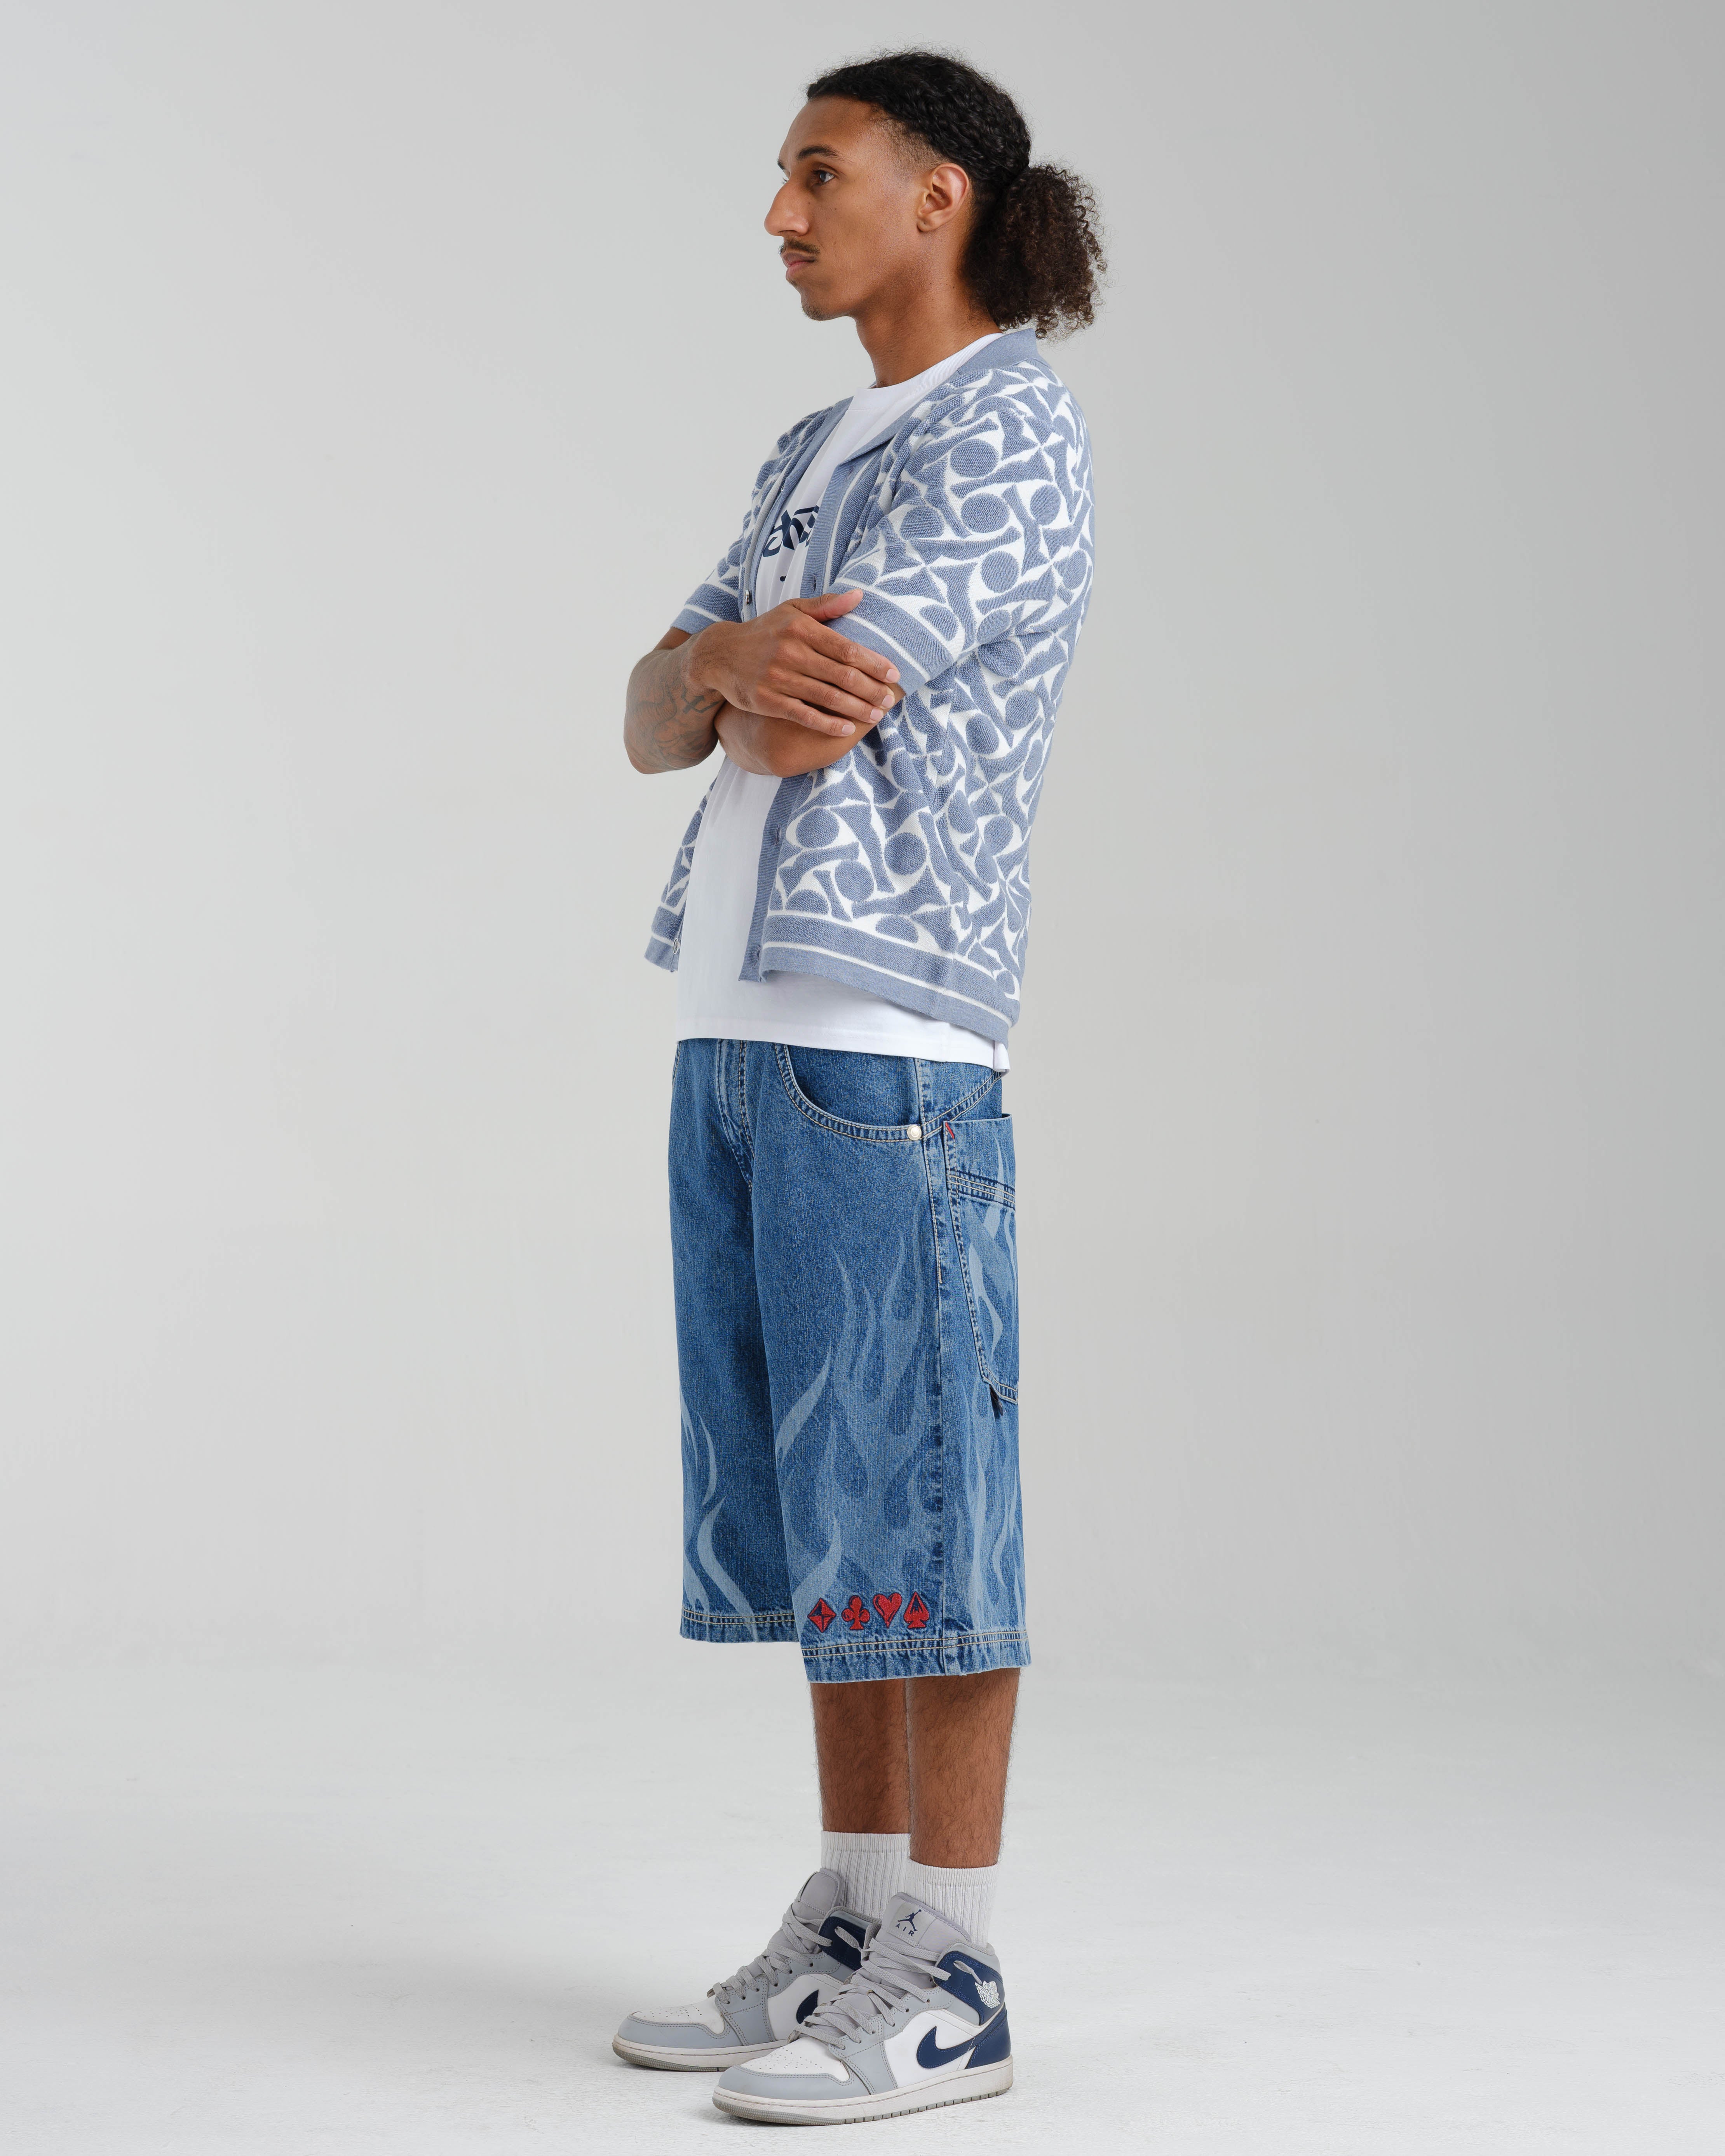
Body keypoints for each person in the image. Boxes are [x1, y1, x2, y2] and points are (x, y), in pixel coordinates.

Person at [613, 49, 1102, 2126]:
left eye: (819, 172)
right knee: (828, 1513)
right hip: (739, 1033)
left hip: (890, 1048)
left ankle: (956, 1973)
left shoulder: (1007, 427)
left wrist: (730, 668)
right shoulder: (815, 443)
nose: (781, 213)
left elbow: (807, 709)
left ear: (940, 196)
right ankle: (854, 1917)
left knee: (922, 1499)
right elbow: (657, 712)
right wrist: (718, 666)